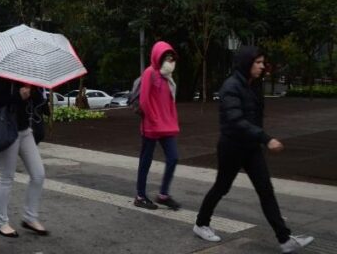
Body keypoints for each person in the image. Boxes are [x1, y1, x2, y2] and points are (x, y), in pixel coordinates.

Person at [193, 46, 314, 252]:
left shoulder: (253, 85)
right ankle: (201, 224)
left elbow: (254, 118)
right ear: (246, 63)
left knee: (266, 190)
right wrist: (266, 139)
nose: (262, 66)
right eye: (257, 62)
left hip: (251, 148)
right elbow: (236, 120)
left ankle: (284, 239)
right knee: (222, 187)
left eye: (262, 62)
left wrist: (259, 139)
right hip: (231, 147)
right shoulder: (230, 86)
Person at [0, 77, 48, 238]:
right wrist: (17, 96)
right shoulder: (4, 78)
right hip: (8, 129)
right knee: (6, 177)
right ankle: (1, 223)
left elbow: (38, 103)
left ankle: (30, 217)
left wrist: (34, 91)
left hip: (25, 130)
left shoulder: (30, 78)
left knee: (38, 174)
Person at [134, 41, 181, 211]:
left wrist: (172, 120)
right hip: (152, 126)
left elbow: (170, 103)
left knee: (174, 157)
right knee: (145, 161)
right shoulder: (150, 73)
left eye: (171, 57)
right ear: (158, 58)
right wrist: (153, 119)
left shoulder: (167, 77)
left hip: (166, 127)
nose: (170, 61)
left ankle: (163, 195)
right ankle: (140, 196)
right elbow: (144, 100)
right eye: (166, 57)